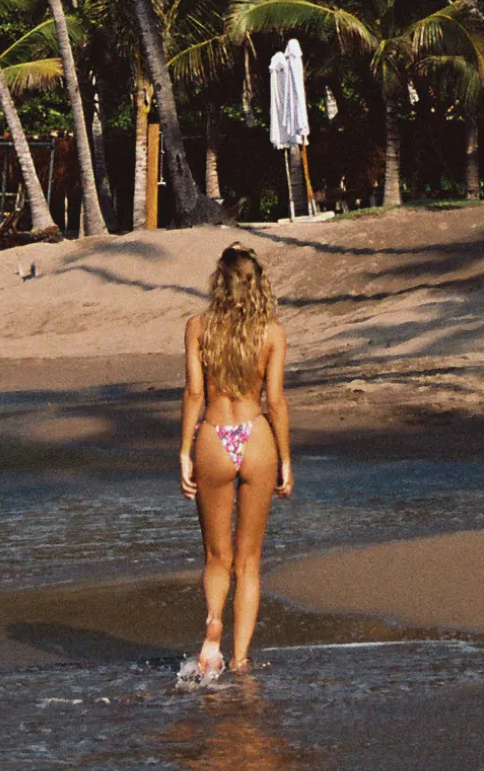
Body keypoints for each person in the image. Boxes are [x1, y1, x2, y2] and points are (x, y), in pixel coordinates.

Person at [179, 243, 292, 683]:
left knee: (215, 556)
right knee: (249, 561)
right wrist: (285, 458)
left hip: (214, 435)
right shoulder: (271, 333)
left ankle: (213, 625)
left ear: (219, 282)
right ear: (257, 284)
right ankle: (241, 661)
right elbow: (277, 400)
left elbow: (194, 392)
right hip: (255, 437)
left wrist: (184, 451)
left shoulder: (198, 327)